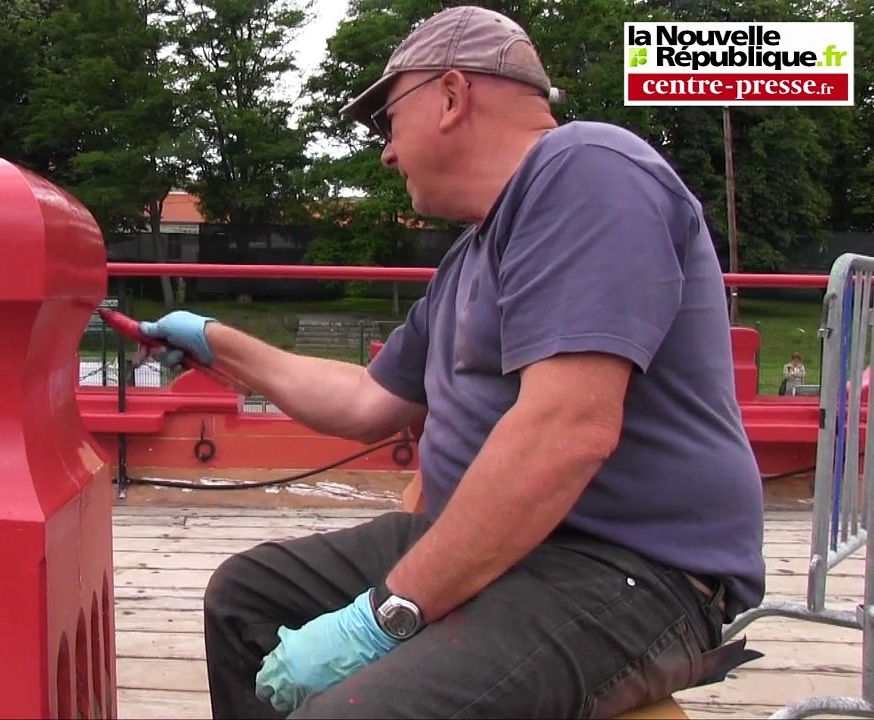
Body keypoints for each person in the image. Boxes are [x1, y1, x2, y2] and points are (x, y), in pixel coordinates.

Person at [137, 6, 766, 719]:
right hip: (526, 548)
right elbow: (367, 402)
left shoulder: (588, 171)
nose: (385, 153)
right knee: (248, 596)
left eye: (387, 121)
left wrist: (382, 617)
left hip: (631, 569)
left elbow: (567, 431)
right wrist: (217, 341)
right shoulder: (472, 258)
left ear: (450, 95)